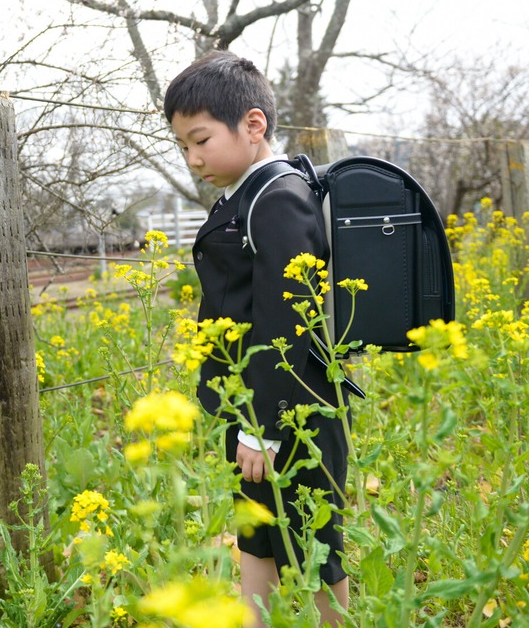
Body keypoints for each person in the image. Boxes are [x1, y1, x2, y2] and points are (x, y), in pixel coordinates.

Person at [164, 50, 351, 627]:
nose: (194, 158)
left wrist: (261, 431)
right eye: (183, 146)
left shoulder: (276, 199)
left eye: (201, 140)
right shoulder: (245, 194)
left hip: (289, 412)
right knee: (257, 531)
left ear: (253, 125)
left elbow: (288, 324)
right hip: (258, 408)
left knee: (317, 540)